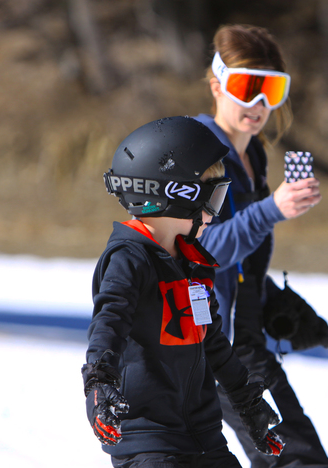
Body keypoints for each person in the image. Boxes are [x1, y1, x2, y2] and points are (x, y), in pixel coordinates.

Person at [82, 116, 286, 468]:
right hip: (150, 441)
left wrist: (248, 403)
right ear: (177, 196)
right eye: (215, 197)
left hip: (204, 438)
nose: (214, 215)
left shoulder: (192, 262)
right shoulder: (129, 260)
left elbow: (213, 342)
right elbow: (108, 325)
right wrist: (99, 384)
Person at [193, 25, 328, 468]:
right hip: (214, 342)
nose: (258, 105)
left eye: (270, 89)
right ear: (217, 85)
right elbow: (206, 251)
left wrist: (266, 301)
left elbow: (240, 261)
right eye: (246, 88)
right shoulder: (199, 154)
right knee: (295, 458)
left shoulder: (253, 157)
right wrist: (272, 209)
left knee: (290, 455)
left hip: (242, 333)